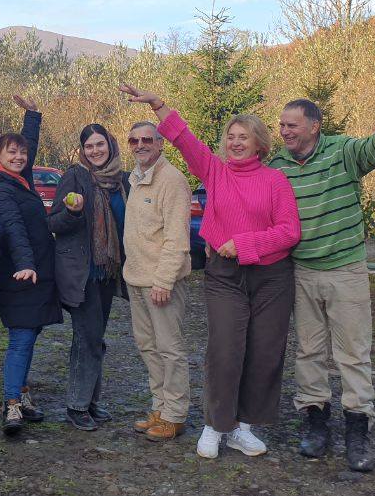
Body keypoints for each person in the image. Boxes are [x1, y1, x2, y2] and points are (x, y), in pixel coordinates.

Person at [124, 86, 301, 459]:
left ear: (259, 145)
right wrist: (157, 104)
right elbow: (183, 138)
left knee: (264, 352)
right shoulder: (214, 171)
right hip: (225, 275)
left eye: (244, 137)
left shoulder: (275, 181)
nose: (236, 143)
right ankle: (216, 424)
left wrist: (246, 244)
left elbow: (290, 231)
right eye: (231, 137)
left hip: (271, 277)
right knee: (225, 349)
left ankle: (244, 427)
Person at [266, 95, 375, 472]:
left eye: (292, 125)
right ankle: (315, 422)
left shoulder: (342, 151)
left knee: (352, 352)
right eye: (281, 126)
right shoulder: (278, 165)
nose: (285, 132)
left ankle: (357, 428)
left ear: (314, 126)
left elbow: (373, 151)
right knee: (309, 351)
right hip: (301, 272)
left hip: (345, 268)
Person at [0, 95, 61, 436]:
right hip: (21, 273)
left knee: (30, 335)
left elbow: (29, 148)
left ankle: (21, 394)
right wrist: (25, 263)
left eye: (22, 152)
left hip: (37, 272)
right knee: (21, 339)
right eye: (12, 152)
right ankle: (10, 405)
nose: (20, 156)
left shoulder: (19, 178)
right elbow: (12, 227)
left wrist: (33, 114)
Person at [117, 115, 193, 442]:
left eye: (147, 140)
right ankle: (160, 407)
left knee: (170, 349)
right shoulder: (136, 178)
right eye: (134, 141)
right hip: (136, 280)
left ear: (160, 144)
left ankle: (175, 414)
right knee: (149, 347)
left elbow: (177, 238)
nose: (140, 145)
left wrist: (164, 280)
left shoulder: (172, 180)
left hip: (161, 284)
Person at [49, 124, 129, 431]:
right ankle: (77, 405)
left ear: (110, 145)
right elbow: (53, 221)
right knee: (88, 338)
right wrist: (73, 212)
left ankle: (89, 402)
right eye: (89, 146)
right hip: (80, 272)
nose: (95, 151)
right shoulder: (75, 176)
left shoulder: (121, 181)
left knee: (94, 338)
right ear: (83, 150)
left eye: (100, 144)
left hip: (107, 272)